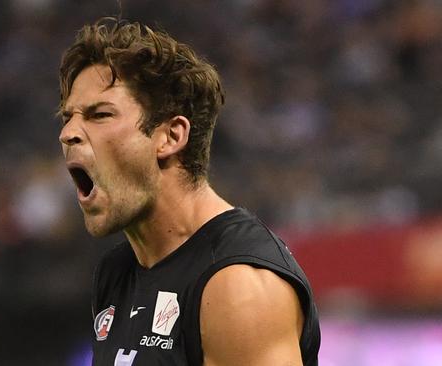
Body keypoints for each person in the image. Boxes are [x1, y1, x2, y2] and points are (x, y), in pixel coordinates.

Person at [57, 18, 320, 366]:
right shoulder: (116, 271)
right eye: (68, 117)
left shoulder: (237, 285)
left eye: (100, 114)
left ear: (170, 136)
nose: (68, 133)